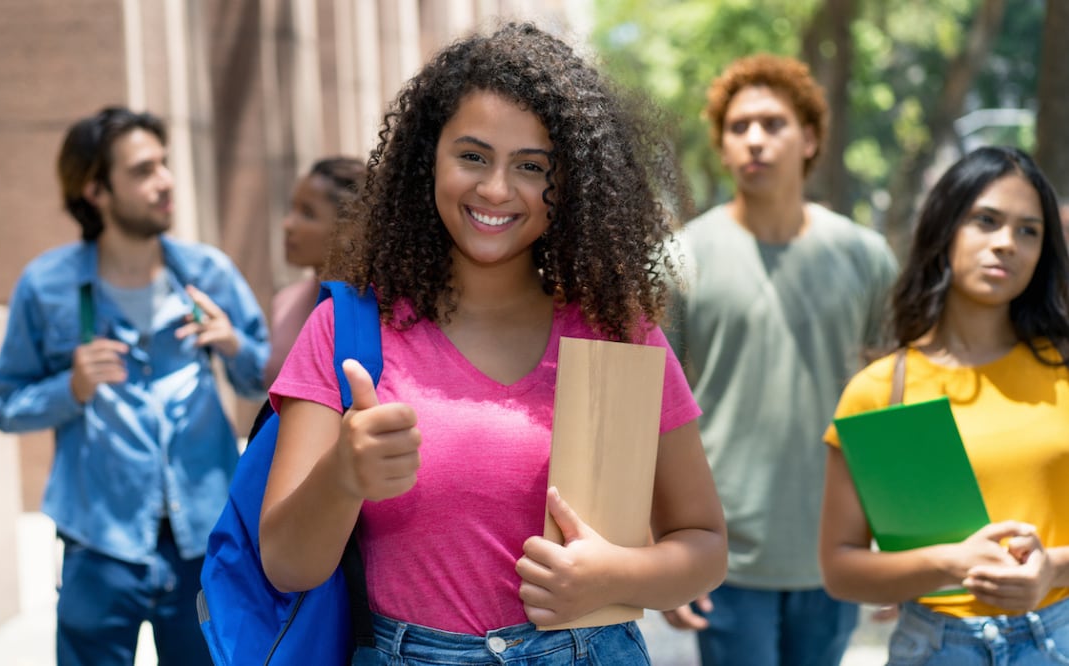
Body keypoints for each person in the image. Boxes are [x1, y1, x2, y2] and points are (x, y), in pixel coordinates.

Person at [257, 21, 728, 664]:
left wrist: (613, 577)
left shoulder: (619, 333)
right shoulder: (346, 330)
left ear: (572, 188)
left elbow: (703, 543)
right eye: (473, 156)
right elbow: (286, 565)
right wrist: (344, 475)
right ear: (429, 158)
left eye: (532, 167)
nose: (497, 189)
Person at [0, 106, 270, 666]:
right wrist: (70, 387)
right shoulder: (48, 286)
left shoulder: (207, 273)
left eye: (164, 164)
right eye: (143, 171)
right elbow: (8, 407)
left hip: (204, 537)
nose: (165, 181)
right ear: (96, 190)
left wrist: (233, 345)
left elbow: (266, 381)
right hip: (99, 544)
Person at [663, 53, 899, 665]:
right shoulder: (680, 259)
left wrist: (901, 544)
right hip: (724, 553)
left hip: (834, 550)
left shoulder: (865, 257)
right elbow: (650, 411)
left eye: (773, 123)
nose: (755, 140)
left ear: (811, 138)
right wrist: (661, 545)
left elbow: (894, 403)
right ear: (721, 146)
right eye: (738, 128)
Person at [819, 145, 1069, 664]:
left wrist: (1052, 571)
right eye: (986, 221)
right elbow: (840, 568)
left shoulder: (1064, 370)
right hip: (935, 647)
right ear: (945, 227)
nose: (1007, 243)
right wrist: (949, 563)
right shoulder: (879, 389)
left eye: (1029, 230)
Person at [264, 156, 366, 387]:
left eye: (308, 213)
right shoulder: (285, 302)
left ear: (350, 227)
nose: (288, 224)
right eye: (292, 208)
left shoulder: (377, 309)